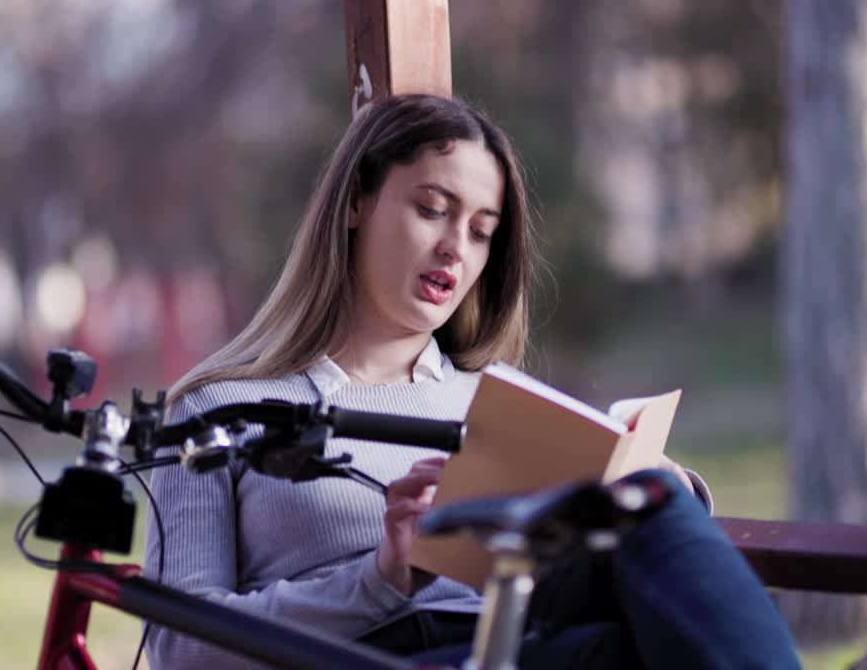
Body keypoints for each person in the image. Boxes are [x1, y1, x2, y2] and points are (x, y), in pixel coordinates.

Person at [144, 93, 793, 669]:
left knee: (647, 504)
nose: (458, 247)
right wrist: (379, 578)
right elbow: (179, 648)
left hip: (519, 639)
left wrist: (659, 492)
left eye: (482, 231)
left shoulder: (498, 404)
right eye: (432, 209)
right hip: (370, 653)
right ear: (355, 203)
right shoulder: (218, 408)